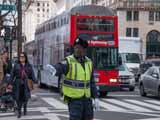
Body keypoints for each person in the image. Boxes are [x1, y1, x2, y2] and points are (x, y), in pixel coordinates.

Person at [49, 37, 99, 120]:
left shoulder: (89, 62)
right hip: (74, 100)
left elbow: (91, 82)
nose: (77, 50)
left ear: (84, 50)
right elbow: (61, 66)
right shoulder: (69, 61)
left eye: (79, 48)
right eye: (75, 47)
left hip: (87, 100)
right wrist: (55, 69)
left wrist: (96, 97)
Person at [10, 52, 36, 118]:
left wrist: (35, 80)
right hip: (18, 83)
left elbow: (32, 74)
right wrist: (10, 83)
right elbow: (12, 75)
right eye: (20, 57)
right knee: (18, 97)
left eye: (23, 56)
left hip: (26, 83)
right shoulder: (16, 65)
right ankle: (19, 112)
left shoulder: (29, 65)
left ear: (25, 57)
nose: (21, 58)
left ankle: (25, 107)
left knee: (26, 97)